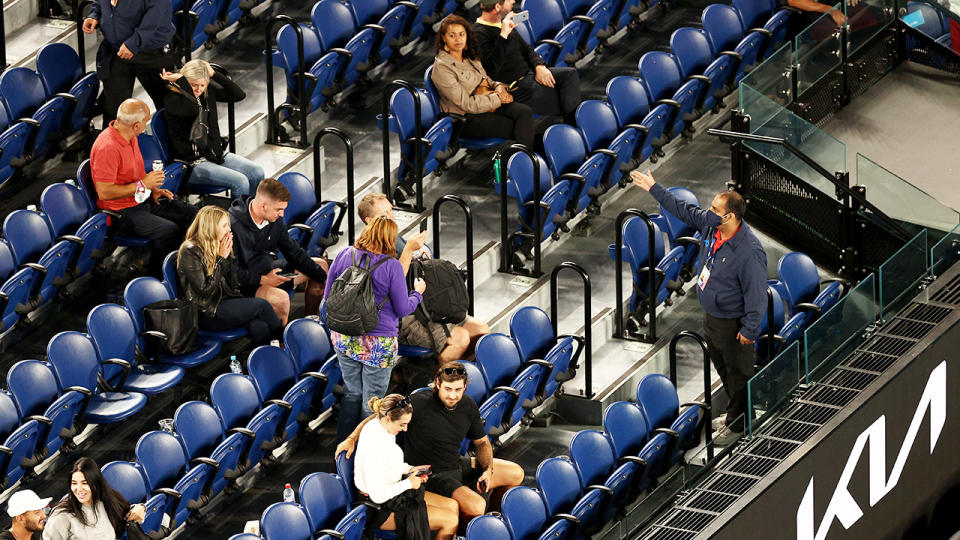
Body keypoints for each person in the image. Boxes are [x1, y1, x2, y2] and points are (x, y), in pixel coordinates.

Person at [631, 170, 767, 445]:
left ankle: (740, 425)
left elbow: (756, 296)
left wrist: (750, 329)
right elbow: (683, 210)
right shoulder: (710, 225)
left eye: (716, 209)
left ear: (729, 216)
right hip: (712, 318)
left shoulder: (749, 250)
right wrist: (654, 188)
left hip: (735, 323)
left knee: (739, 376)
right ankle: (737, 416)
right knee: (724, 371)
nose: (710, 212)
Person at [337, 362, 525, 524]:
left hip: (456, 464)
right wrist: (351, 438)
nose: (453, 395)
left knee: (515, 473)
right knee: (476, 505)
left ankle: (492, 521)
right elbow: (379, 416)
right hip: (433, 475)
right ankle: (465, 532)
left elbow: (483, 443)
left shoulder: (468, 405)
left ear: (465, 386)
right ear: (437, 384)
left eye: (458, 390)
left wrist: (487, 470)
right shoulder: (418, 402)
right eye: (448, 389)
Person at [357, 193, 491, 365]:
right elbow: (391, 287)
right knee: (461, 339)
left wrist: (418, 254)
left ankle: (459, 373)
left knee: (481, 330)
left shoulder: (392, 234)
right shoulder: (369, 250)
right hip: (399, 318)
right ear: (369, 220)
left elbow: (408, 259)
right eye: (384, 215)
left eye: (391, 211)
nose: (391, 217)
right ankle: (441, 384)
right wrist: (408, 252)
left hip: (425, 304)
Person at [324, 216, 426, 442]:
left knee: (352, 391)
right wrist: (417, 293)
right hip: (377, 345)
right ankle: (363, 450)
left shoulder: (344, 254)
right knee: (372, 401)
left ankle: (344, 445)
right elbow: (402, 309)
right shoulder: (391, 266)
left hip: (344, 337)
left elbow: (328, 296)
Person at [90, 99, 198, 277]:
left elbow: (135, 174)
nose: (146, 125)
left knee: (193, 215)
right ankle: (159, 277)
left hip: (142, 198)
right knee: (168, 230)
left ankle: (186, 268)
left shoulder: (131, 137)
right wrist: (142, 185)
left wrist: (153, 189)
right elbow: (104, 192)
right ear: (136, 125)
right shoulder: (107, 148)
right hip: (122, 212)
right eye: (146, 121)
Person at [354, 394, 459, 540]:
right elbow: (378, 495)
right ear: (388, 419)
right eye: (402, 424)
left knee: (453, 505)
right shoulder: (375, 445)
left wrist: (409, 469)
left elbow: (388, 465)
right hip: (381, 508)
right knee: (451, 520)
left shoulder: (381, 426)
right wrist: (409, 483)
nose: (405, 429)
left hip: (394, 492)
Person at [177, 205, 282, 345]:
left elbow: (233, 283)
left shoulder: (219, 244)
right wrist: (220, 258)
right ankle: (285, 343)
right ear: (211, 227)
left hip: (225, 300)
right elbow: (205, 291)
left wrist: (228, 257)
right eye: (225, 225)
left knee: (259, 326)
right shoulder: (190, 251)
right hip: (206, 312)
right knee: (262, 305)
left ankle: (261, 361)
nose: (229, 229)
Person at [229, 178, 328, 324]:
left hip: (273, 271)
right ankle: (282, 342)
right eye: (279, 209)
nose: (282, 214)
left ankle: (310, 324)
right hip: (247, 285)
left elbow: (294, 252)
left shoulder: (275, 220)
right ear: (263, 206)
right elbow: (232, 273)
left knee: (322, 267)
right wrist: (263, 279)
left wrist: (324, 278)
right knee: (281, 299)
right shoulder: (233, 226)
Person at [160, 59, 264, 197]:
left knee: (257, 172)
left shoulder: (207, 93)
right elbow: (194, 110)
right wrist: (182, 82)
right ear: (183, 83)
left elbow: (239, 95)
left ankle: (250, 213)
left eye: (202, 85)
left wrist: (214, 74)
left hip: (214, 155)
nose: (198, 90)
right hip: (191, 164)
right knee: (241, 181)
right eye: (193, 85)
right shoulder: (173, 100)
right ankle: (238, 218)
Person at [430, 15, 534, 151]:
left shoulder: (469, 55)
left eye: (461, 34)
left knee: (525, 112)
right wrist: (498, 98)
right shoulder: (442, 68)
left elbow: (485, 79)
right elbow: (466, 104)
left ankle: (528, 158)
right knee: (518, 128)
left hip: (486, 102)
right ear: (443, 38)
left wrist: (498, 86)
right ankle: (527, 162)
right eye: (452, 35)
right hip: (465, 118)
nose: (458, 39)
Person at [473, 0, 582, 124]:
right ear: (498, 6)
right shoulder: (477, 34)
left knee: (570, 74)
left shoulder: (503, 23)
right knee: (569, 103)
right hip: (516, 89)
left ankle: (575, 129)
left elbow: (526, 50)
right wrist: (503, 35)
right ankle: (576, 130)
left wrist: (539, 66)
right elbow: (491, 68)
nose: (514, 1)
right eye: (509, 0)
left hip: (529, 77)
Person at [81, 0, 175, 127]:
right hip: (117, 51)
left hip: (151, 53)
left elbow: (154, 17)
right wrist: (94, 14)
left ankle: (173, 145)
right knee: (114, 111)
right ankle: (112, 146)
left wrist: (133, 43)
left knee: (168, 106)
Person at [43, 457, 147, 540]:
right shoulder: (62, 516)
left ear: (96, 483)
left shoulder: (107, 501)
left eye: (85, 483)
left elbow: (130, 513)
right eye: (74, 483)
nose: (79, 489)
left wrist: (141, 507)